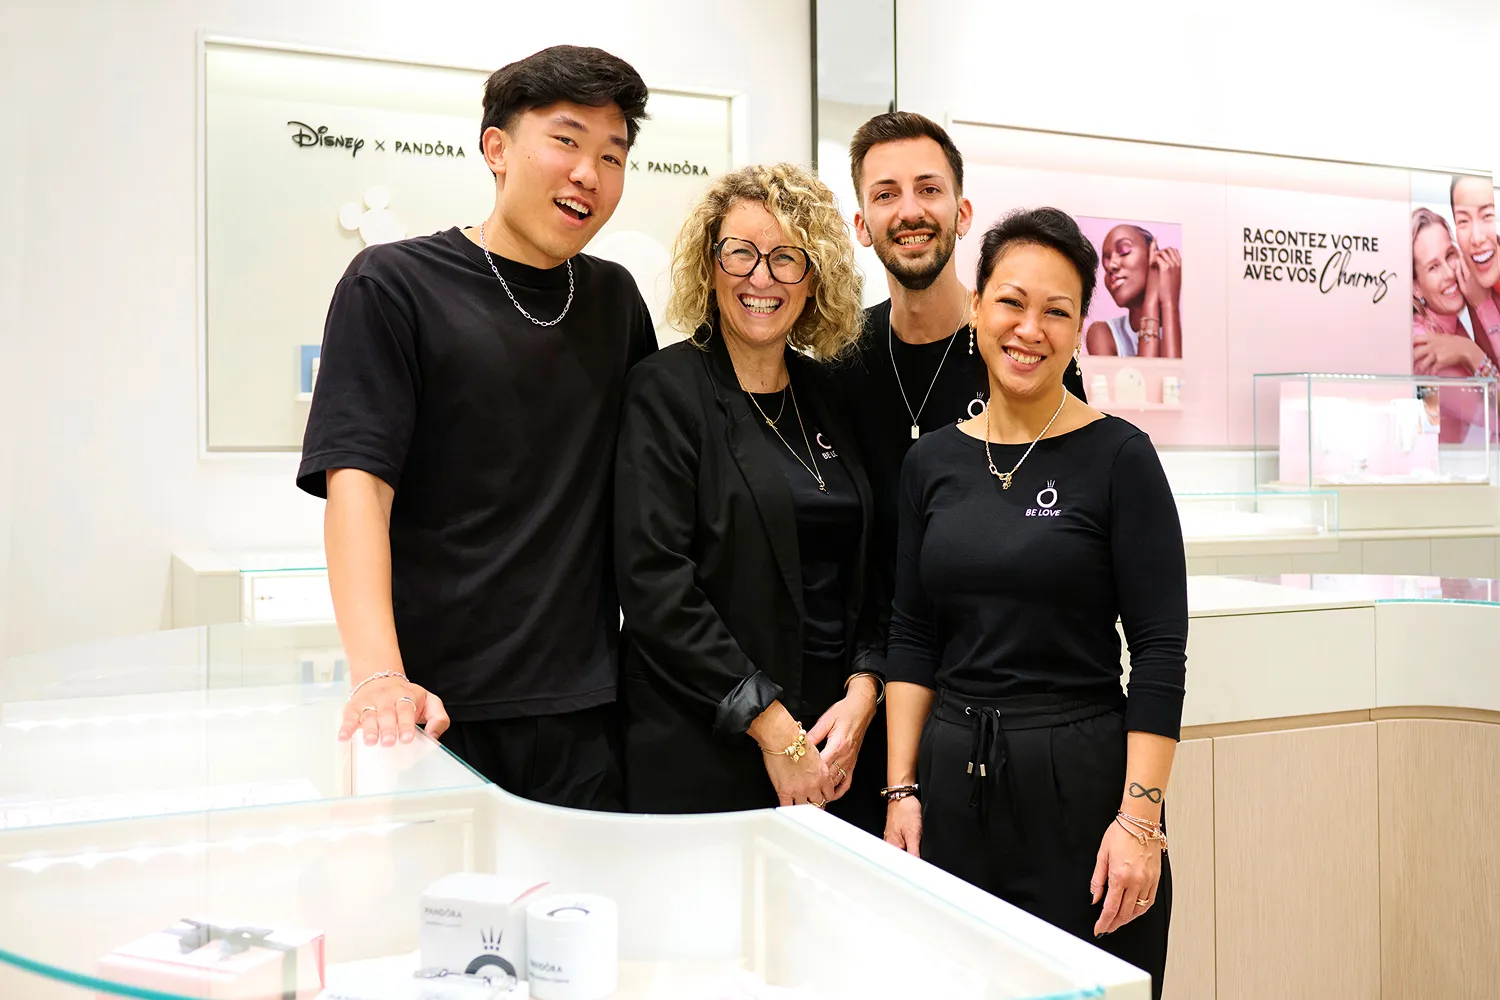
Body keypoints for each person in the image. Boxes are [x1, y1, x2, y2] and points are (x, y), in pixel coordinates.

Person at [296, 46, 656, 810]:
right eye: (565, 140)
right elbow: (357, 485)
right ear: (497, 148)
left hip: (585, 712)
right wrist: (379, 674)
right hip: (434, 712)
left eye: (612, 154)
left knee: (577, 920)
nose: (589, 172)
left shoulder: (615, 302)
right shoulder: (394, 284)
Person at [882, 207, 1187, 998]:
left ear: (1079, 328)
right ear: (978, 306)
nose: (1030, 329)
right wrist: (902, 789)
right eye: (1012, 302)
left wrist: (1139, 823)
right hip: (953, 784)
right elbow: (912, 636)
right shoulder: (931, 461)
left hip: (1080, 788)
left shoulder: (1120, 457)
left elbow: (1158, 653)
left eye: (1057, 311)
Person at [614, 163, 886, 833]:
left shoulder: (830, 395)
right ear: (710, 265)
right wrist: (772, 729)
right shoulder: (665, 391)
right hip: (707, 746)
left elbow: (870, 565)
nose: (761, 278)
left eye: (787, 258)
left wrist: (864, 689)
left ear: (814, 276)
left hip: (833, 748)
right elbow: (656, 585)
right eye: (741, 252)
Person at [836, 114, 1087, 762]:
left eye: (929, 188)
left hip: (1003, 704)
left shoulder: (1018, 351)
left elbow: (1067, 528)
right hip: (874, 696)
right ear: (862, 224)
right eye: (886, 193)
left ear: (962, 211)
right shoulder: (843, 361)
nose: (910, 210)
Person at [1410, 207, 1500, 442]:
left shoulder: (1449, 323)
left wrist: (1477, 303)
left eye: (1450, 255)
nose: (1450, 272)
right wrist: (1469, 352)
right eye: (1433, 267)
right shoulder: (1423, 343)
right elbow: (1495, 419)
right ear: (1415, 287)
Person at [1084, 224, 1183, 359]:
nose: (1111, 265)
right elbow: (1146, 376)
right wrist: (1151, 298)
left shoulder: (1190, 331)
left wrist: (1170, 304)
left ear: (1153, 256)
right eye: (1105, 261)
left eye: (1124, 251)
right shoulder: (1102, 334)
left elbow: (1174, 377)